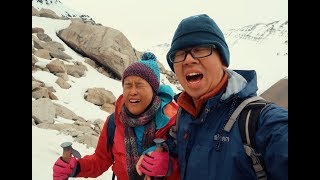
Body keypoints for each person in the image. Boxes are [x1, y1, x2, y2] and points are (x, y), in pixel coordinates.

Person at [162, 14, 287, 180]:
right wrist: (163, 155)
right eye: (179, 54)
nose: (188, 60)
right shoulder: (184, 115)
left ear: (222, 60)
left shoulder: (261, 122)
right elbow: (179, 149)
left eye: (200, 50)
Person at [52, 52, 180, 180]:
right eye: (128, 85)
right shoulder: (115, 121)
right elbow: (100, 160)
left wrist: (170, 165)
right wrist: (76, 167)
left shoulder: (174, 122)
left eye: (140, 85)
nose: (133, 91)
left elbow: (191, 166)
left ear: (154, 90)